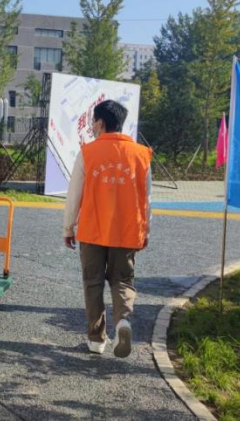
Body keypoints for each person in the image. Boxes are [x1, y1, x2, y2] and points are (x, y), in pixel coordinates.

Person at [63, 100, 152, 358]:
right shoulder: (141, 155)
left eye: (93, 122)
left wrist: (68, 227)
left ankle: (96, 340)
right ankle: (123, 321)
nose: (92, 126)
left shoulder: (88, 152)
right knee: (123, 280)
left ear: (101, 123)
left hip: (92, 230)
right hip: (127, 231)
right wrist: (145, 231)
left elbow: (74, 194)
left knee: (92, 283)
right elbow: (147, 199)